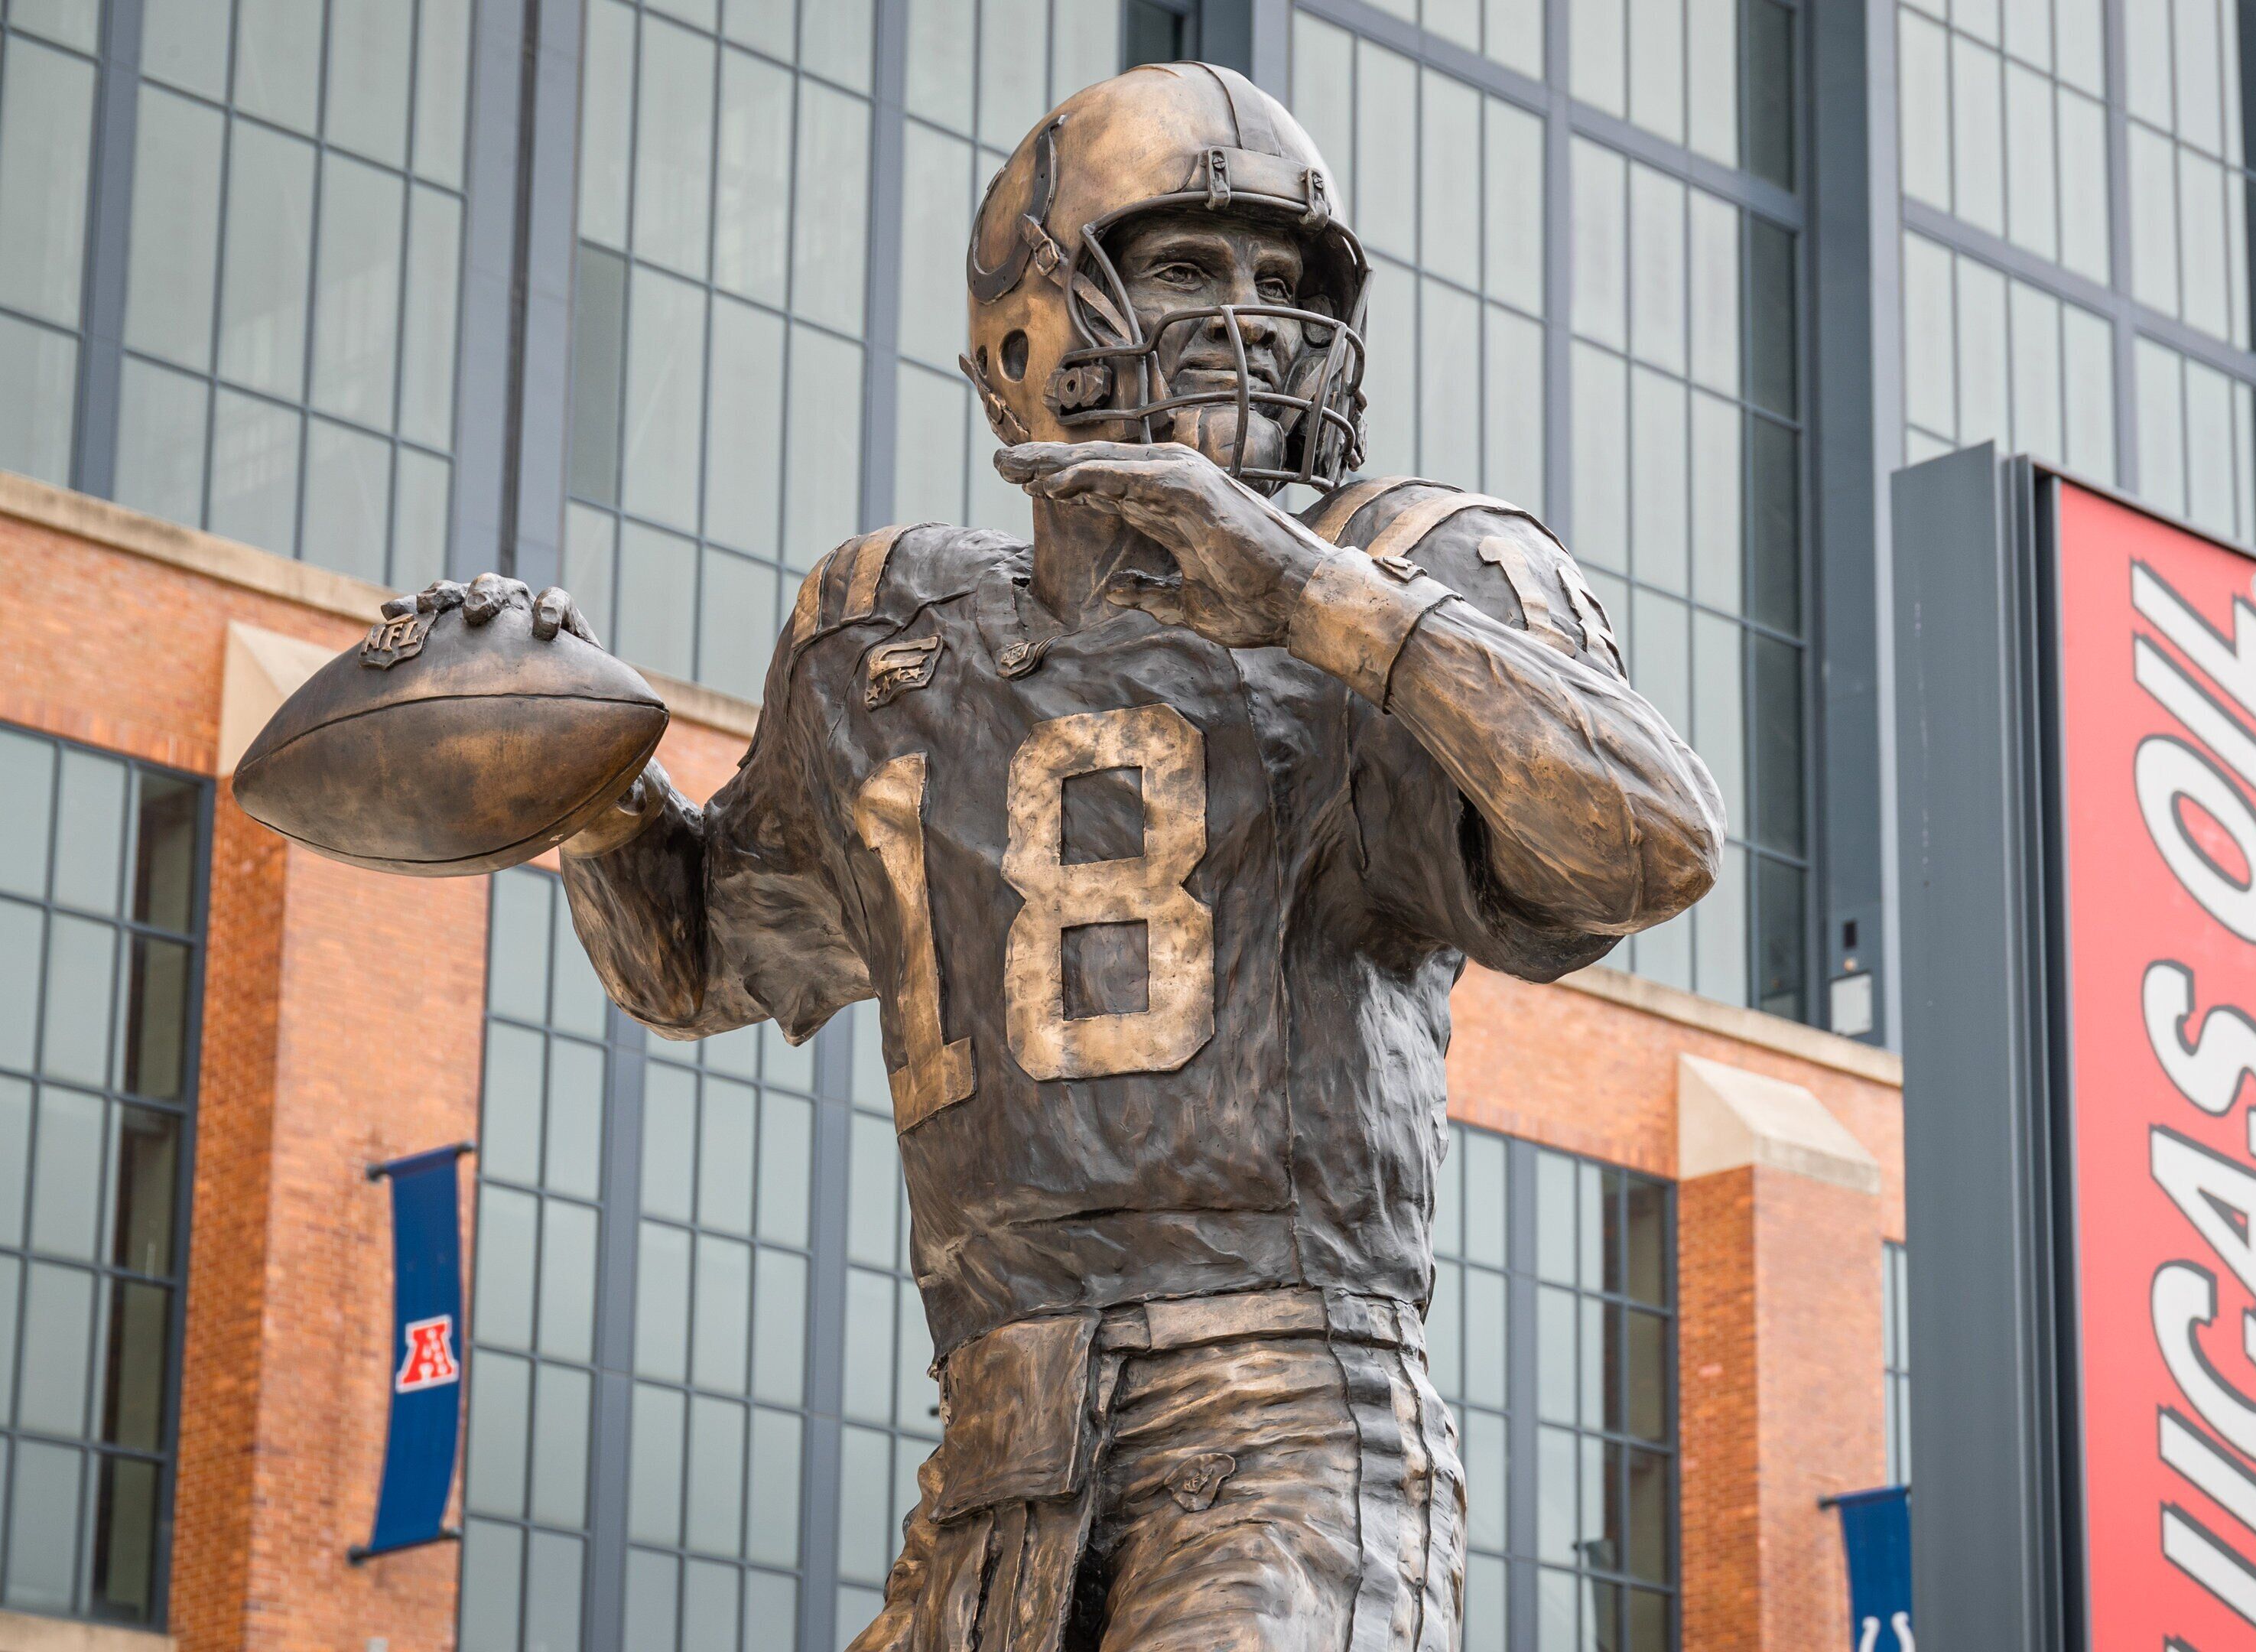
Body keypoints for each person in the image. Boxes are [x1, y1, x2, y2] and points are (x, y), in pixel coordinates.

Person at [395, 61, 1719, 1652]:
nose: (1251, 320)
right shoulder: (885, 635)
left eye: (1281, 278)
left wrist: (1321, 606)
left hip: (1291, 1431)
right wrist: (579, 780)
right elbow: (697, 960)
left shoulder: (1403, 566)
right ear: (1024, 333)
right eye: (1187, 267)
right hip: (993, 1459)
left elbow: (1654, 844)